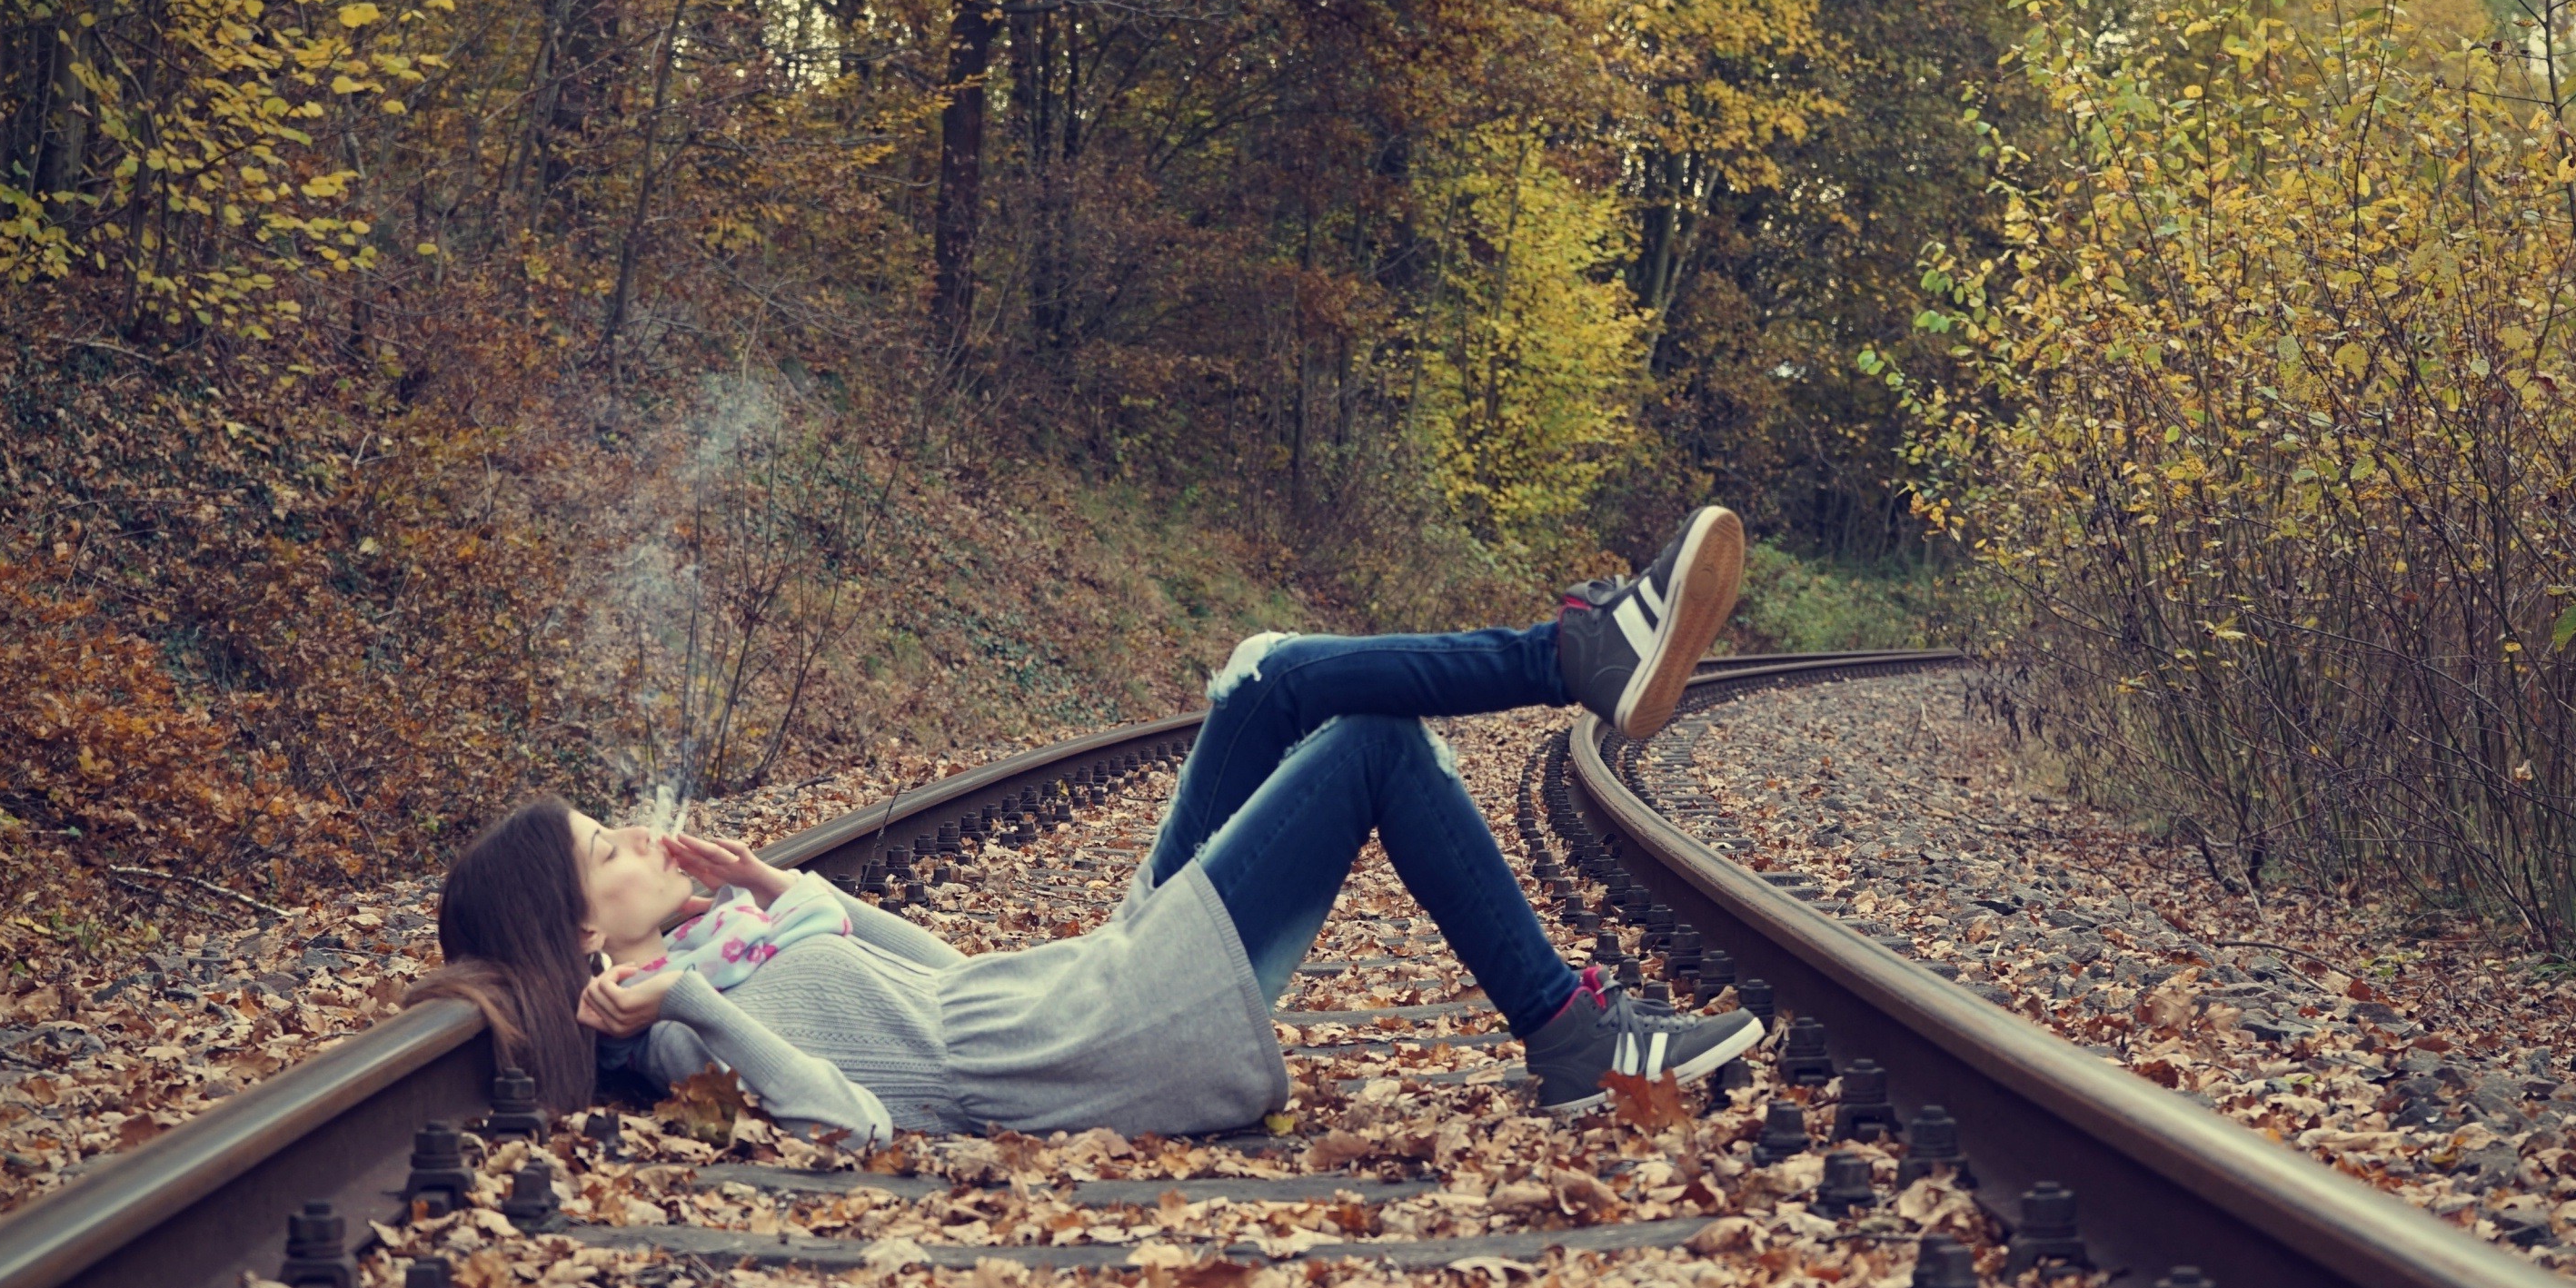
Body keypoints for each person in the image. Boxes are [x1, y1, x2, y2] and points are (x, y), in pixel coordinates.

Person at [408, 505, 1763, 1149]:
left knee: (1264, 671)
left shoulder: (723, 949)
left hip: (1082, 983)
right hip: (1111, 1038)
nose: (640, 841)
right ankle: (1571, 1033)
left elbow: (949, 992)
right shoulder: (679, 1030)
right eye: (605, 852)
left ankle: (1572, 656)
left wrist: (786, 888)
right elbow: (859, 1124)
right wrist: (700, 991)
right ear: (579, 937)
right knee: (1370, 746)